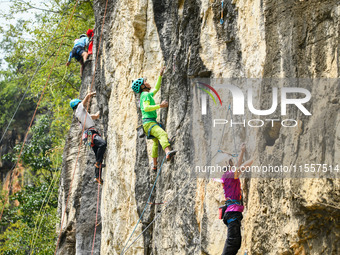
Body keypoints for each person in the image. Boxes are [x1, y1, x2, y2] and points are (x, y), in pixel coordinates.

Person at [131, 67, 176, 171]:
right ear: (142, 86)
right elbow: (146, 108)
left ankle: (154, 165)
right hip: (149, 123)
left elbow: (156, 88)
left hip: (147, 124)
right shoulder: (145, 94)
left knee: (156, 142)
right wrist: (160, 105)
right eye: (145, 82)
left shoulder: (145, 94)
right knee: (162, 134)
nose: (147, 82)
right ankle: (168, 152)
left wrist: (160, 75)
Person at [219, 144, 253, 255]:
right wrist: (255, 158)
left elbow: (238, 167)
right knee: (233, 242)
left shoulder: (227, 175)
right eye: (231, 162)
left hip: (232, 213)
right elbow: (241, 168)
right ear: (227, 164)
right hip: (232, 213)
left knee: (234, 242)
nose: (232, 162)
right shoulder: (229, 175)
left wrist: (242, 152)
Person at [70, 91, 107, 185]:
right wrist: (89, 95)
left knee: (99, 154)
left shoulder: (82, 115)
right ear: (77, 104)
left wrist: (102, 109)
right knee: (102, 144)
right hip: (89, 133)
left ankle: (97, 176)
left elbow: (95, 116)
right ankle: (98, 164)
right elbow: (83, 103)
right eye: (79, 104)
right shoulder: (78, 110)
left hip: (87, 136)